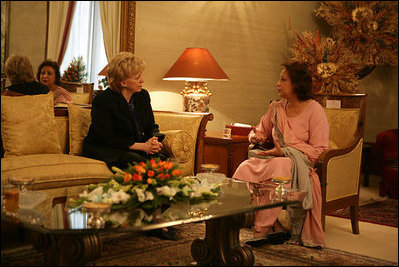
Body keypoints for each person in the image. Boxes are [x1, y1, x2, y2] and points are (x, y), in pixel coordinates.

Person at [233, 61, 329, 248]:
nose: (277, 83)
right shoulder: (276, 108)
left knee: (281, 166)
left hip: (301, 164)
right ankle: (264, 224)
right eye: (279, 79)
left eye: (283, 80)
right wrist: (257, 137)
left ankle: (260, 229)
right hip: (276, 158)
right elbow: (259, 130)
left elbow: (319, 150)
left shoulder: (314, 110)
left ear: (297, 84)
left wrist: (285, 151)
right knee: (245, 167)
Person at [82, 51, 168, 171]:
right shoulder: (103, 100)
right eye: (137, 78)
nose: (142, 80)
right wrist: (142, 146)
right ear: (123, 82)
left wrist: (153, 141)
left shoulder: (142, 96)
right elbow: (107, 138)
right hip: (106, 148)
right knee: (139, 163)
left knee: (163, 160)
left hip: (133, 148)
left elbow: (151, 126)